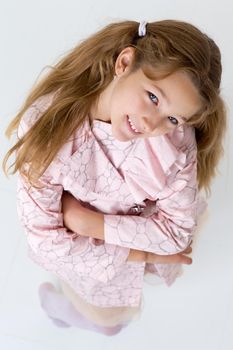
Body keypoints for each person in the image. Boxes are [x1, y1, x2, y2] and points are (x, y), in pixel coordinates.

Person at [2, 19, 226, 336]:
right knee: (108, 325)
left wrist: (85, 223)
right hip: (95, 257)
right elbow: (47, 241)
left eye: (173, 117)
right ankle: (57, 305)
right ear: (124, 63)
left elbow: (176, 234)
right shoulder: (49, 126)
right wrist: (144, 253)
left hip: (99, 240)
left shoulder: (175, 142)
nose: (152, 124)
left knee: (117, 319)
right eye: (152, 97)